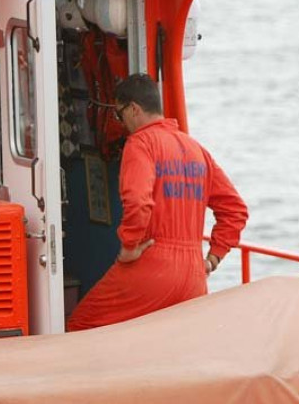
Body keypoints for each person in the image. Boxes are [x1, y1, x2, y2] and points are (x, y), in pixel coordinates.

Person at [67, 73, 248, 331]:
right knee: (172, 341)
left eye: (119, 115)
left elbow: (138, 201)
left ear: (134, 109)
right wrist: (212, 259)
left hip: (152, 265)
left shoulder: (141, 143)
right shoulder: (196, 149)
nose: (121, 122)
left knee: (81, 324)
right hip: (194, 275)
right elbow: (235, 209)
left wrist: (129, 246)